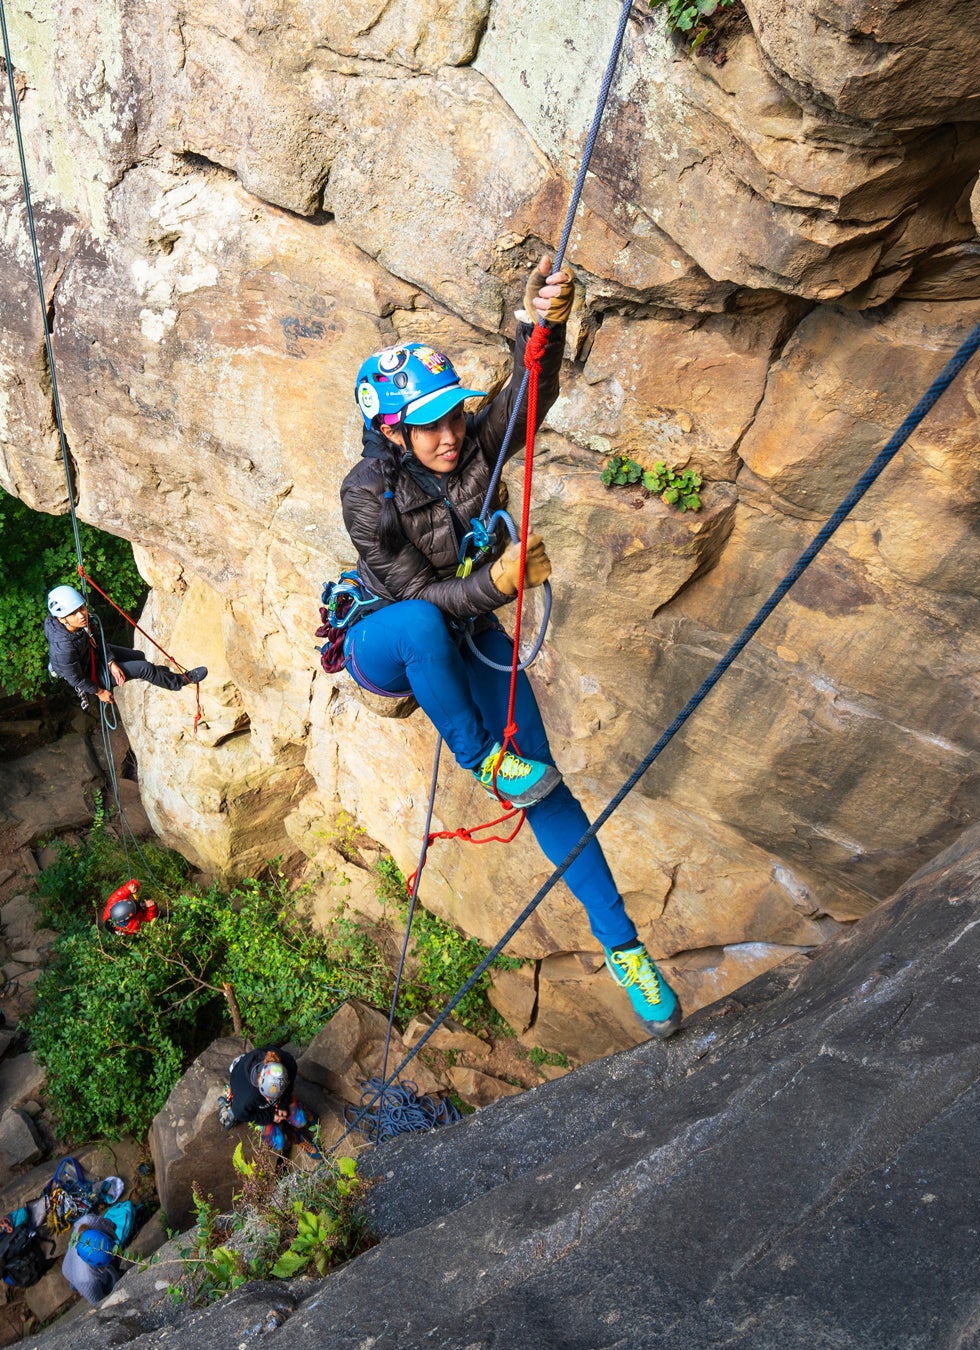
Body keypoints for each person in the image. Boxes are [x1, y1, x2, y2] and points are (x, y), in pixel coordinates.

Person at [335, 268, 680, 1038]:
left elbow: (524, 400)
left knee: (549, 789)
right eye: (428, 427)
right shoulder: (367, 493)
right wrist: (497, 581)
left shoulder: (470, 449)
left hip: (468, 640)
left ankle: (624, 949)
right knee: (423, 632)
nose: (450, 436)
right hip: (386, 642)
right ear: (392, 431)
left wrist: (539, 326)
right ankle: (481, 757)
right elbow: (418, 599)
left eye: (452, 417)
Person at [45, 585, 206, 709]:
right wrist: (100, 692)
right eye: (73, 613)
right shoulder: (62, 649)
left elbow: (97, 637)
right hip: (90, 675)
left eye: (81, 608)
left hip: (93, 653)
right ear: (61, 619)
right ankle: (182, 680)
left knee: (139, 656)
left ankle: (161, 674)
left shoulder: (78, 623)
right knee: (144, 668)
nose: (81, 615)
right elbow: (76, 678)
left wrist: (111, 662)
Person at [218, 1045, 317, 1153]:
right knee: (278, 1142)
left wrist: (283, 1105)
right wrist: (270, 1117)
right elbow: (241, 1114)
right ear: (259, 1083)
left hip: (280, 1094)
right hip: (259, 1108)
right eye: (267, 1097)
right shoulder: (246, 1097)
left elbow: (288, 1088)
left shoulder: (288, 1063)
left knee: (300, 1120)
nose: (270, 1101)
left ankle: (299, 1119)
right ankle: (294, 1137)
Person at [61, 1193, 142, 1307]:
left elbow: (110, 1225)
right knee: (79, 1283)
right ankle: (76, 1287)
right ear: (98, 1267)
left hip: (68, 1265)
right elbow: (100, 1303)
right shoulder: (87, 1281)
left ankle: (75, 1286)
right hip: (73, 1273)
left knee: (75, 1281)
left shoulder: (88, 1221)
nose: (114, 1255)